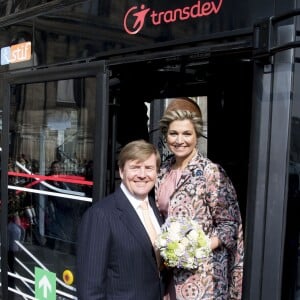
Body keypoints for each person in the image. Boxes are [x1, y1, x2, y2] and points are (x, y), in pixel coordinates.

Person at [155, 98, 244, 300]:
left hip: (203, 277)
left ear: (197, 136)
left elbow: (229, 224)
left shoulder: (210, 172)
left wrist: (194, 248)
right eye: (173, 133)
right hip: (167, 274)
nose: (180, 140)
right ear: (166, 135)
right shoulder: (162, 171)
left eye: (187, 134)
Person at [76, 140, 168, 300]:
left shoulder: (155, 208)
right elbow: (89, 291)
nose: (142, 174)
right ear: (121, 171)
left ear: (157, 173)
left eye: (149, 168)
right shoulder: (100, 215)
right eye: (134, 167)